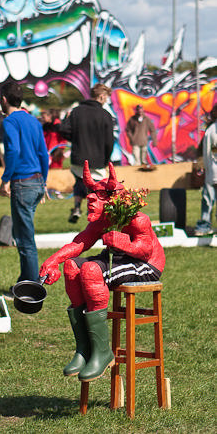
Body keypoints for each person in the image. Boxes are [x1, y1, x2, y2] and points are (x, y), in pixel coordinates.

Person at [39, 160, 165, 382]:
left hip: (146, 265)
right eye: (90, 193)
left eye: (98, 195)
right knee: (71, 266)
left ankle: (103, 352)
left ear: (114, 199)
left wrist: (123, 243)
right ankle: (84, 349)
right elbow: (80, 243)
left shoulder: (137, 218)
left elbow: (145, 251)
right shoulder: (102, 219)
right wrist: (52, 261)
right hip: (120, 259)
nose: (90, 198)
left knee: (90, 270)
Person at [0, 82, 49, 286]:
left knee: (25, 239)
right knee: (22, 233)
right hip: (36, 182)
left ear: (4, 100)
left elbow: (14, 151)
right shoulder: (33, 121)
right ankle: (23, 281)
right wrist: (43, 183)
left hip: (22, 182)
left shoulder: (10, 121)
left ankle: (31, 286)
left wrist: (5, 179)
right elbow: (43, 154)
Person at [59, 83, 114, 223]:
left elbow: (63, 130)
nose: (106, 100)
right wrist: (106, 160)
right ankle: (95, 213)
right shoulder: (105, 115)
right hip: (98, 160)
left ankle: (77, 207)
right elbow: (109, 142)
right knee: (97, 187)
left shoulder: (76, 111)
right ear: (101, 97)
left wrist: (76, 139)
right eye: (106, 97)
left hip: (79, 158)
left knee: (80, 181)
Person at [194, 103, 217, 236]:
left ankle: (205, 223)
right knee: (208, 199)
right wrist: (201, 166)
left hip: (211, 171)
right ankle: (204, 224)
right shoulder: (211, 130)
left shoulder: (211, 129)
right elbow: (202, 151)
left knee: (208, 198)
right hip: (212, 171)